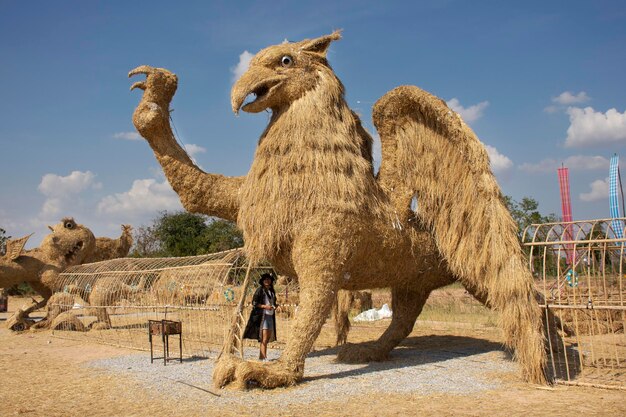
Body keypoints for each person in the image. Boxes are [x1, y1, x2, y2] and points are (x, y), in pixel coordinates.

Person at [243, 273, 280, 360]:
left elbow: (273, 303)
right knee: (264, 338)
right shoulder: (260, 290)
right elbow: (254, 303)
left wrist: (277, 306)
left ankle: (262, 356)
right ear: (263, 281)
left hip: (270, 316)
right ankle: (263, 357)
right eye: (265, 279)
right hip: (263, 316)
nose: (267, 281)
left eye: (269, 279)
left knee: (267, 338)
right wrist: (265, 306)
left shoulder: (272, 291)